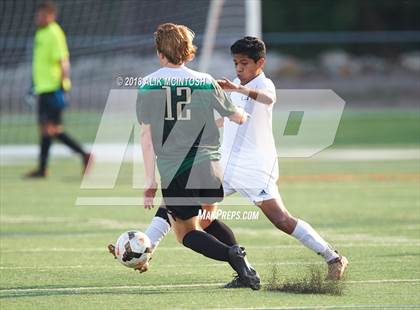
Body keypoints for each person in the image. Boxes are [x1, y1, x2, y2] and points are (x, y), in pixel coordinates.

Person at [142, 36, 348, 287]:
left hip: (255, 167)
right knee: (183, 208)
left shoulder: (264, 85)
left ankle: (333, 257)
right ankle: (149, 248)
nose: (239, 69)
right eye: (236, 63)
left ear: (260, 63)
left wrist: (238, 89)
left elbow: (267, 100)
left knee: (281, 219)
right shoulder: (234, 86)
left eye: (244, 63)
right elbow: (227, 119)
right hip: (224, 164)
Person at [135, 23, 260, 290]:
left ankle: (232, 255)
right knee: (208, 220)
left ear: (160, 53)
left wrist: (149, 182)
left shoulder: (147, 85)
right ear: (188, 53)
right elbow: (238, 117)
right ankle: (244, 270)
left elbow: (146, 138)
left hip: (177, 169)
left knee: (187, 233)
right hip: (212, 167)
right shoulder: (206, 81)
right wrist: (244, 111)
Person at [26, 1, 91, 178]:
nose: (38, 18)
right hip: (43, 88)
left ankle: (85, 155)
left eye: (41, 15)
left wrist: (64, 85)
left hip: (54, 88)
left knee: (52, 130)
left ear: (51, 15)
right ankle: (42, 168)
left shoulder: (55, 33)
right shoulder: (41, 33)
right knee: (46, 129)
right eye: (37, 15)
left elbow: (63, 61)